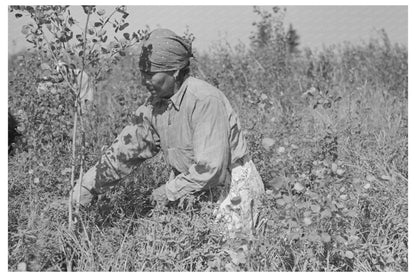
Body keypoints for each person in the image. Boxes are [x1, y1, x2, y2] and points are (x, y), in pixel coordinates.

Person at [71, 28, 265, 245]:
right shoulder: (154, 107)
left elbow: (211, 169)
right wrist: (85, 188)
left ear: (174, 71)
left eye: (150, 73)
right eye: (142, 72)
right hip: (191, 186)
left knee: (231, 258)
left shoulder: (203, 100)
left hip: (230, 187)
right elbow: (121, 154)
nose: (144, 80)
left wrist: (166, 192)